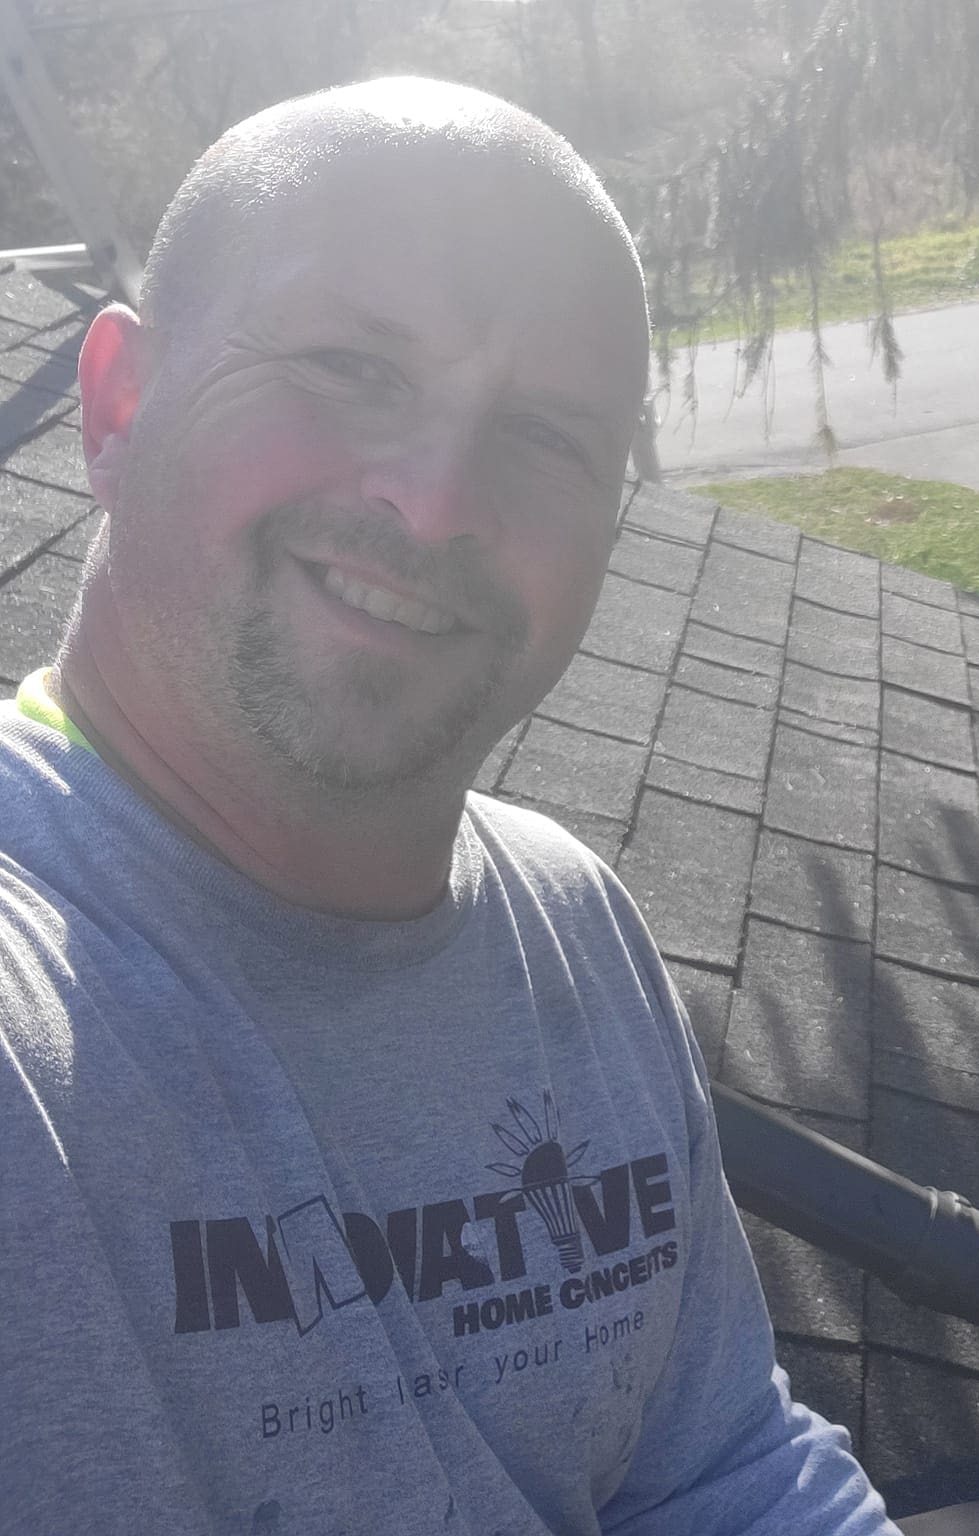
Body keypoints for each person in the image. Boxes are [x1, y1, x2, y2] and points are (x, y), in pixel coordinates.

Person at [0, 77, 898, 1535]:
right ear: (116, 407)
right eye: (352, 366)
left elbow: (718, 1464)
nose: (430, 503)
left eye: (546, 438)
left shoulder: (569, 922)